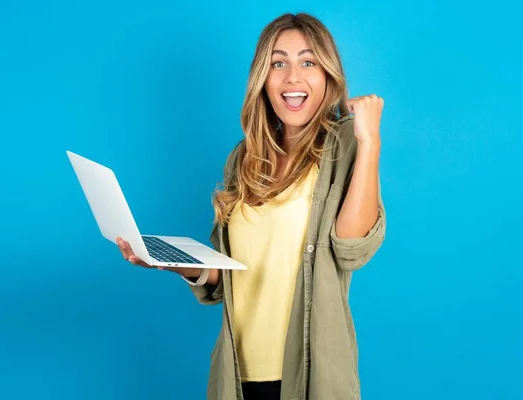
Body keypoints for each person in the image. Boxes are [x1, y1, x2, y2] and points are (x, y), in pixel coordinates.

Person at [116, 12, 386, 400]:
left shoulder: (345, 144)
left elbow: (351, 247)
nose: (292, 77)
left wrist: (370, 141)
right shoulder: (243, 160)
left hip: (311, 376)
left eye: (308, 62)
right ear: (263, 77)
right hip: (237, 374)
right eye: (279, 63)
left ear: (327, 74)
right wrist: (162, 259)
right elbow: (227, 277)